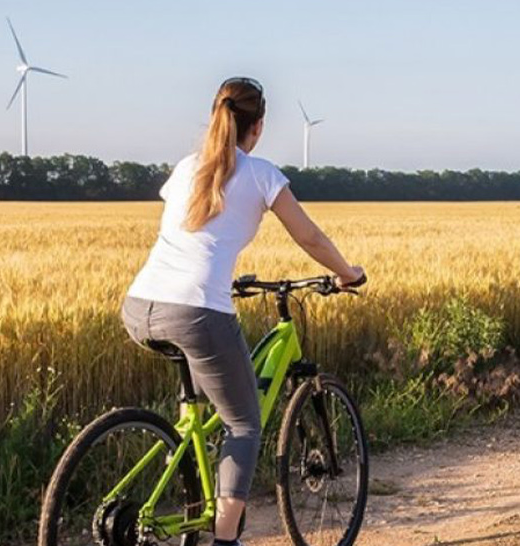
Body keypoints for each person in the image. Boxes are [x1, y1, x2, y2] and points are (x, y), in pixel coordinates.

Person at [122, 76, 364, 545]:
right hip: (195, 312)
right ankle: (226, 538)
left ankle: (192, 482)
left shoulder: (187, 168)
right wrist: (346, 272)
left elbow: (190, 238)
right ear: (258, 127)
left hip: (138, 305)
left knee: (201, 408)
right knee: (244, 423)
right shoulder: (260, 173)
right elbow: (309, 236)